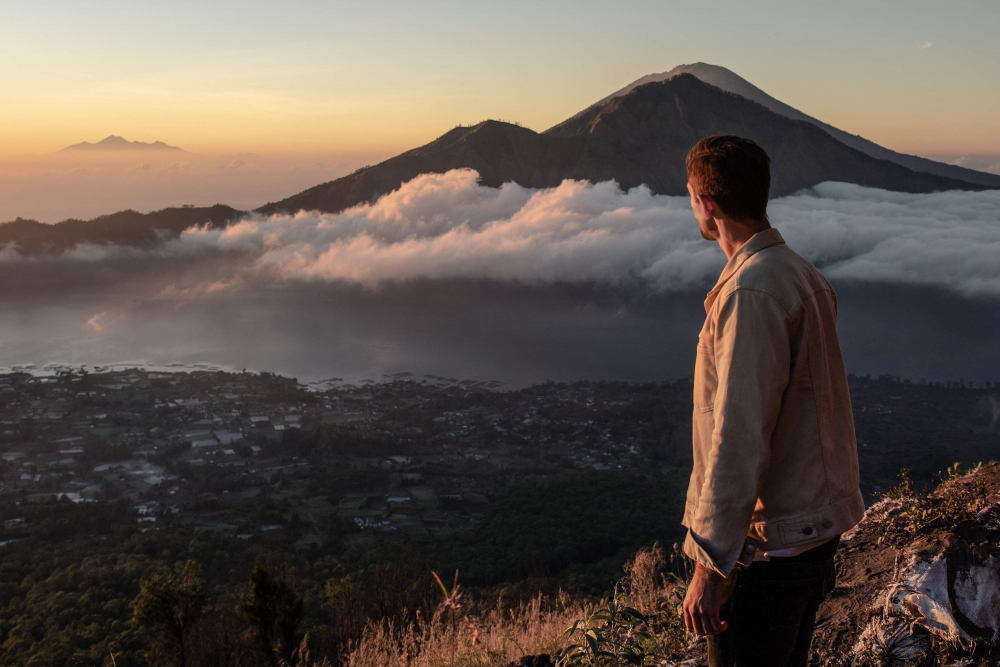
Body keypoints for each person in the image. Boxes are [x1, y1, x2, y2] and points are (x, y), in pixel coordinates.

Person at [680, 135, 865, 667]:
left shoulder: (751, 293)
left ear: (706, 204)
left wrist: (710, 569)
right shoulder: (801, 274)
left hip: (769, 551)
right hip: (811, 538)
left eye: (692, 197)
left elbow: (739, 437)